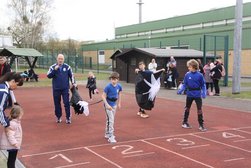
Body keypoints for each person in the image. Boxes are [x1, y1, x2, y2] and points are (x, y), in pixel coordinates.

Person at [177, 59, 207, 131]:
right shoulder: (187, 74)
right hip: (189, 94)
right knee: (187, 108)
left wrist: (204, 92)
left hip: (197, 94)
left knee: (199, 109)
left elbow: (203, 85)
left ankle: (201, 125)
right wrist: (181, 90)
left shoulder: (199, 75)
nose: (188, 68)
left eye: (189, 67)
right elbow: (184, 83)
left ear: (194, 66)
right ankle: (185, 122)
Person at [47, 54, 76, 124]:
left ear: (63, 59)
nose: (60, 60)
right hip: (56, 89)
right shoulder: (52, 67)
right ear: (57, 59)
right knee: (57, 104)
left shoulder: (67, 67)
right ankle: (58, 117)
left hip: (65, 89)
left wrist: (73, 83)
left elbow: (71, 76)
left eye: (62, 59)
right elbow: (48, 76)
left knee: (66, 103)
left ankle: (68, 118)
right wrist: (54, 70)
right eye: (59, 58)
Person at [102, 72, 122, 143]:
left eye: (115, 79)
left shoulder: (119, 86)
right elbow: (103, 96)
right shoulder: (108, 87)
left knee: (109, 119)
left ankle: (107, 133)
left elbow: (119, 94)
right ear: (110, 79)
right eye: (112, 79)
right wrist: (107, 105)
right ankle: (111, 136)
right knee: (111, 120)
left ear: (117, 79)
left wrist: (119, 103)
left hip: (114, 105)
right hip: (108, 106)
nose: (113, 81)